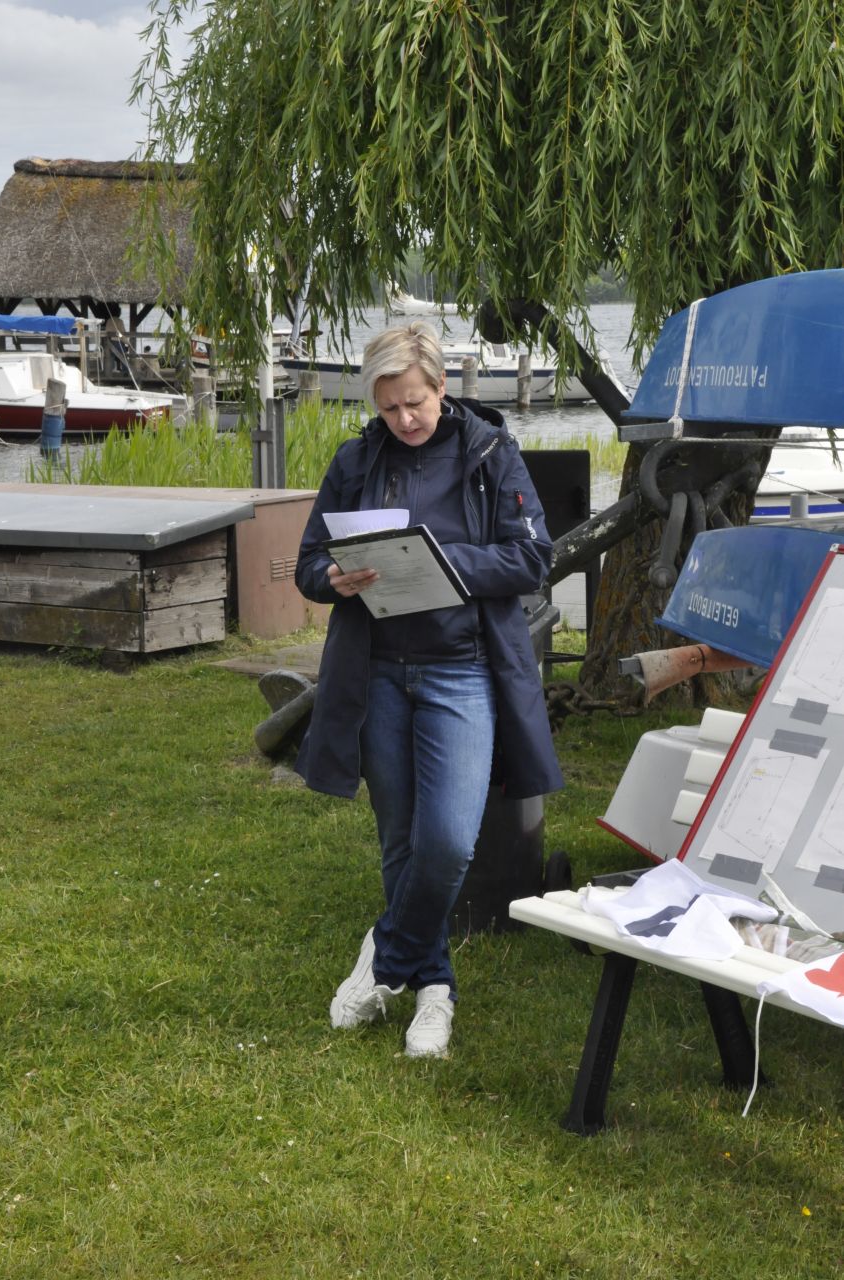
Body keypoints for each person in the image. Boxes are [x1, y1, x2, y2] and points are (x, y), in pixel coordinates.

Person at [294, 321, 563, 1058]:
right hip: (376, 673)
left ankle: (384, 957)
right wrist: (333, 577)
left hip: (461, 671)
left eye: (414, 402)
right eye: (389, 408)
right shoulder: (355, 460)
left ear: (442, 386)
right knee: (401, 842)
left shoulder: (491, 453)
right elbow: (309, 564)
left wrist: (444, 562)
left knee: (446, 842)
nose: (404, 419)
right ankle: (434, 991)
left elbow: (532, 557)